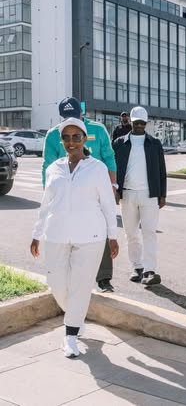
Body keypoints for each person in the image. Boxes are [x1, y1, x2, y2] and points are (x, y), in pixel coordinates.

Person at [31, 118, 119, 358]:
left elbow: (108, 204)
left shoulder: (97, 168)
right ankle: (76, 317)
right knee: (56, 283)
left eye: (76, 137)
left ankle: (70, 335)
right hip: (56, 233)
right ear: (62, 141)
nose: (71, 142)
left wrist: (113, 236)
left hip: (90, 236)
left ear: (84, 139)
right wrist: (36, 234)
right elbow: (45, 204)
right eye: (66, 138)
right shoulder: (54, 168)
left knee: (81, 285)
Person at [42, 97, 118, 293]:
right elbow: (47, 166)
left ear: (81, 113)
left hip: (94, 190)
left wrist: (112, 185)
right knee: (67, 234)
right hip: (65, 192)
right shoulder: (53, 135)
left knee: (100, 231)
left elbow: (109, 157)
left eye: (76, 117)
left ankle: (103, 278)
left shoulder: (98, 130)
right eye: (67, 118)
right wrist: (48, 196)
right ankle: (69, 279)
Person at [112, 106, 167, 286]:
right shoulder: (119, 143)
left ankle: (150, 270)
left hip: (149, 194)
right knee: (131, 233)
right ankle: (137, 267)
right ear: (131, 122)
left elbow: (161, 170)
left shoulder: (154, 143)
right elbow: (112, 168)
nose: (139, 126)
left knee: (149, 232)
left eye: (142, 123)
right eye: (136, 123)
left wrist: (163, 194)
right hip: (127, 194)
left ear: (146, 123)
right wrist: (115, 190)